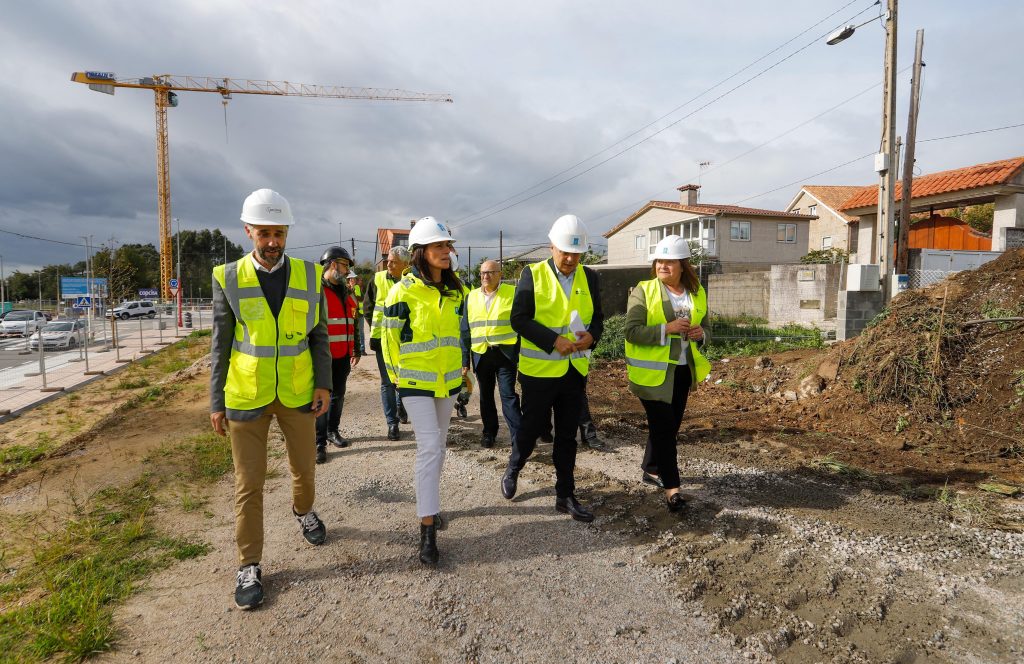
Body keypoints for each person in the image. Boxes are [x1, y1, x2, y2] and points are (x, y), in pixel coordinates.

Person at [210, 188, 331, 610]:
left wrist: (324, 385)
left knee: (305, 470)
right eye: (264, 233)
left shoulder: (310, 275)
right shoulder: (227, 276)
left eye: (278, 232)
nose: (272, 241)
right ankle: (249, 564)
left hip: (297, 392)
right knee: (249, 485)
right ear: (248, 231)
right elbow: (220, 343)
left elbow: (320, 335)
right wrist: (215, 401)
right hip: (246, 395)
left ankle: (304, 511)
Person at [501, 214, 603, 523]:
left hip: (573, 371)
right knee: (530, 429)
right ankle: (514, 465)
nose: (571, 259)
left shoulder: (590, 276)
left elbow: (597, 317)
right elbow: (518, 319)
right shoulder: (531, 274)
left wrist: (592, 337)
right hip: (539, 373)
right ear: (552, 247)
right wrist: (552, 340)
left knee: (567, 436)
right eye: (565, 252)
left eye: (577, 253)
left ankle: (565, 495)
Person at [381, 216, 467, 565]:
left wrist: (464, 371)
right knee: (429, 447)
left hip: (447, 381)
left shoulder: (455, 290)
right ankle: (427, 529)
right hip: (414, 383)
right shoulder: (401, 290)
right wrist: (396, 381)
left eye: (448, 245)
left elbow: (457, 336)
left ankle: (431, 505)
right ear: (421, 252)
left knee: (439, 447)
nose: (446, 251)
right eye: (439, 246)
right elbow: (387, 338)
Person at [624, 234, 709, 511]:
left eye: (669, 261)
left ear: (683, 265)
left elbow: (704, 328)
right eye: (659, 260)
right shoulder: (644, 290)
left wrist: (700, 334)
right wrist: (666, 329)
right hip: (653, 376)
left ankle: (650, 468)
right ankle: (672, 489)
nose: (663, 266)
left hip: (683, 371)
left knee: (669, 427)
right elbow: (632, 332)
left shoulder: (696, 293)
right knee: (664, 431)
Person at [460, 259, 521, 448]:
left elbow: (522, 324)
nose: (485, 276)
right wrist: (465, 361)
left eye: (490, 272)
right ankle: (489, 433)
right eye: (482, 273)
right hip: (481, 354)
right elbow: (465, 331)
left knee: (508, 395)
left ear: (500, 274)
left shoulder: (513, 293)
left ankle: (518, 437)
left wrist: (519, 352)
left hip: (505, 354)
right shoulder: (471, 297)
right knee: (486, 396)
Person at [315, 246, 362, 463]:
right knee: (320, 399)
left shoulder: (347, 293)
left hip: (343, 354)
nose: (346, 272)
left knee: (338, 396)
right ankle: (319, 442)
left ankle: (333, 431)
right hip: (322, 357)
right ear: (333, 264)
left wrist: (356, 348)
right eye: (344, 266)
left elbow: (354, 322)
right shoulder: (316, 292)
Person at [363, 246, 410, 440]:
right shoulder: (378, 279)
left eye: (393, 262)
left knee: (405, 378)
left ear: (406, 265)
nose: (388, 264)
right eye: (388, 260)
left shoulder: (412, 282)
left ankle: (402, 406)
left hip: (407, 341)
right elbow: (367, 307)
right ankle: (392, 424)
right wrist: (379, 329)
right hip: (383, 340)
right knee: (387, 382)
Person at [347, 271, 366, 356]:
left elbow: (360, 298)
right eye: (351, 279)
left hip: (359, 314)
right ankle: (351, 349)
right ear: (348, 279)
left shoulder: (357, 287)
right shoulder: (346, 288)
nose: (353, 280)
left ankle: (362, 349)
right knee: (351, 331)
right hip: (350, 313)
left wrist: (353, 290)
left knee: (360, 331)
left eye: (354, 278)